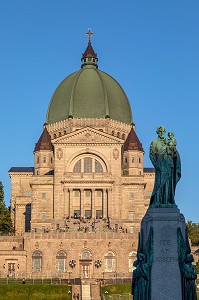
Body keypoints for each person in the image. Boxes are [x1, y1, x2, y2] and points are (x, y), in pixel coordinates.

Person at [149, 126, 181, 206]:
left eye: (163, 132)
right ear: (157, 132)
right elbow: (151, 155)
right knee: (159, 184)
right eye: (160, 132)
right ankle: (157, 201)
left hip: (168, 165)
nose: (161, 133)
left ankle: (167, 201)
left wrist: (174, 152)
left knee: (167, 184)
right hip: (160, 166)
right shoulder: (154, 142)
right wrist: (156, 165)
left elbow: (174, 152)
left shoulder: (168, 141)